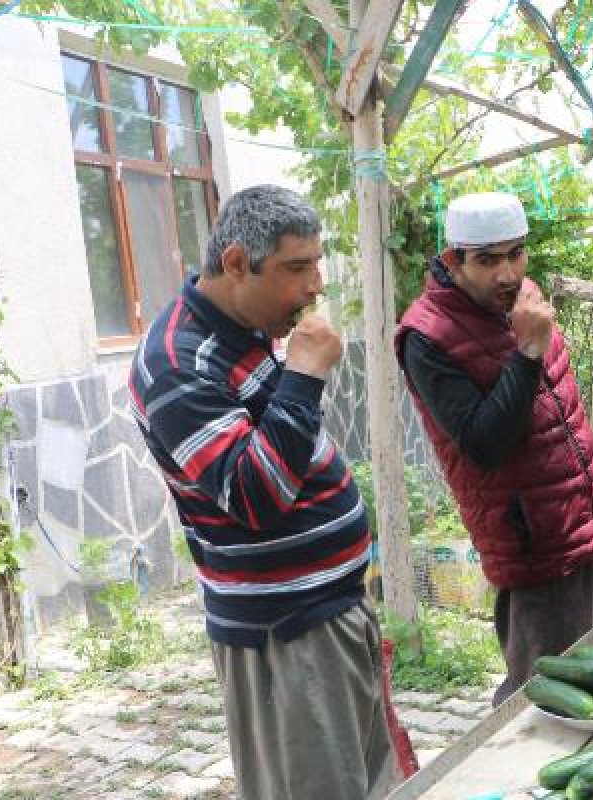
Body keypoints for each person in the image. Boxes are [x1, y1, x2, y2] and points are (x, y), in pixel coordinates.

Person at [129, 185, 395, 798]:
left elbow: (281, 449)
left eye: (317, 263)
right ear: (235, 265)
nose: (316, 285)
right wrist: (303, 375)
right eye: (297, 268)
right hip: (285, 637)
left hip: (327, 612)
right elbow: (254, 494)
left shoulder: (243, 331)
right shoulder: (176, 363)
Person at [394, 191, 593, 706]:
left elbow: (561, 411)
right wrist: (527, 352)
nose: (507, 273)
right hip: (532, 547)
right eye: (487, 260)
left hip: (575, 528)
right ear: (453, 262)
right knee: (545, 702)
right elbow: (484, 444)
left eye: (516, 253)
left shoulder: (522, 297)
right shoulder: (426, 337)